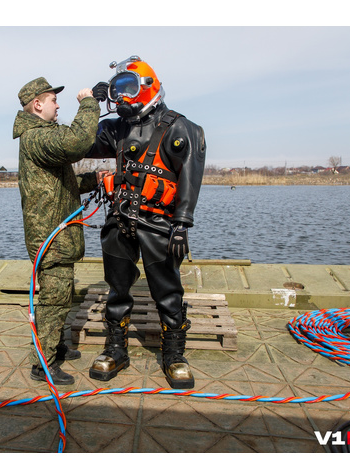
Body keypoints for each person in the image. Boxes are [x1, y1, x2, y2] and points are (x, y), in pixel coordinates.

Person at [86, 56, 206, 389]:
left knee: (167, 291)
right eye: (116, 90)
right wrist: (91, 107)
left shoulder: (181, 128)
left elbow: (190, 179)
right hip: (120, 219)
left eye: (127, 88)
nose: (121, 97)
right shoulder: (116, 129)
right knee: (117, 288)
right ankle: (116, 349)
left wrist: (182, 223)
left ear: (148, 87)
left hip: (159, 222)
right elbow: (81, 143)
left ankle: (174, 355)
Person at [13, 77, 104, 386]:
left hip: (56, 237)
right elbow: (77, 142)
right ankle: (43, 363)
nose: (58, 104)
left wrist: (95, 179)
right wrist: (89, 103)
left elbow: (62, 185)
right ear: (37, 104)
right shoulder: (37, 137)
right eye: (53, 100)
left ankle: (56, 346)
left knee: (60, 297)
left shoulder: (39, 139)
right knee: (53, 301)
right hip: (50, 240)